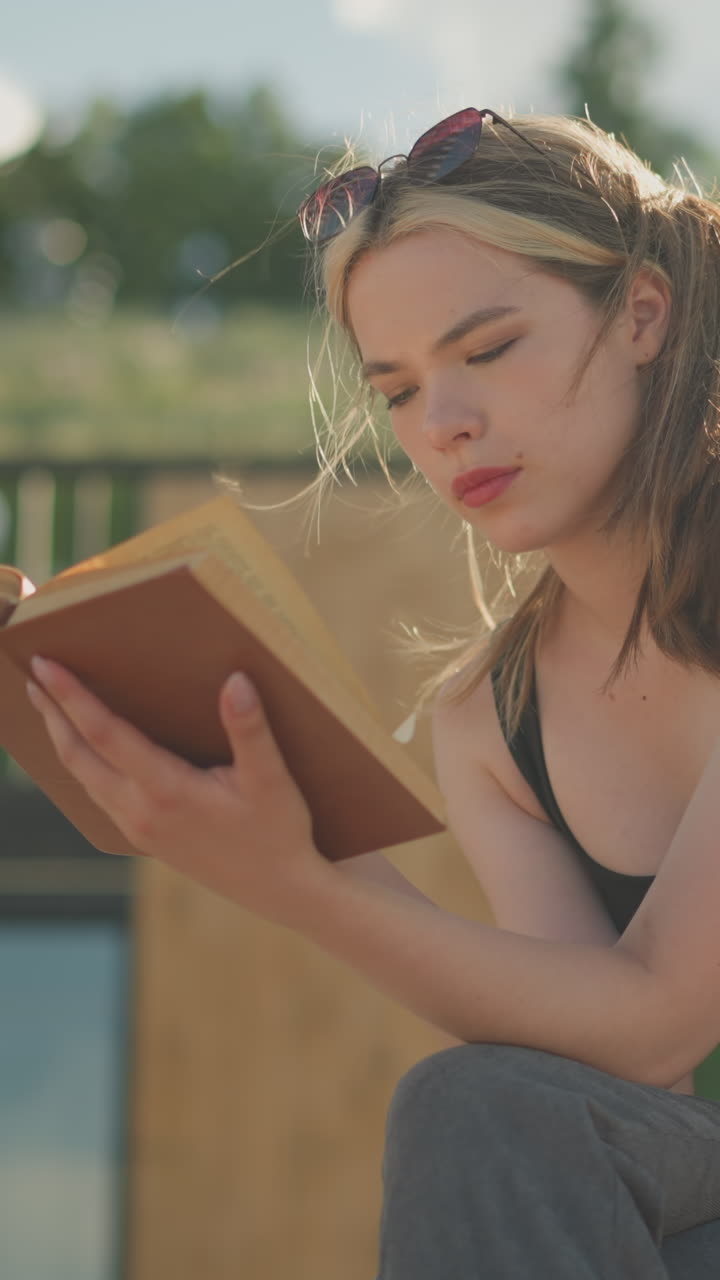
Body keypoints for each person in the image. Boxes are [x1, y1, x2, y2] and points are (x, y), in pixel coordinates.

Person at [21, 107, 720, 1277]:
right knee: (488, 1106)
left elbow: (663, 1014)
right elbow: (608, 1079)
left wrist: (308, 884)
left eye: (488, 349)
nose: (443, 424)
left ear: (642, 313)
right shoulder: (490, 721)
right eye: (396, 389)